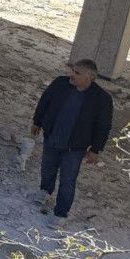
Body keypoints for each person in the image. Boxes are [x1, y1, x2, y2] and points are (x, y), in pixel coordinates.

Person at [31, 59, 113, 228]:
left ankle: (61, 213)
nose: (71, 75)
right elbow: (44, 101)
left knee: (68, 180)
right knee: (47, 167)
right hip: (52, 138)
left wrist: (95, 149)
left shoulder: (102, 99)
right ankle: (45, 190)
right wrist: (37, 121)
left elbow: (103, 127)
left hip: (74, 148)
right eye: (72, 70)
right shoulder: (60, 83)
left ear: (90, 77)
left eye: (77, 73)